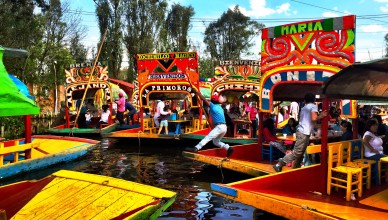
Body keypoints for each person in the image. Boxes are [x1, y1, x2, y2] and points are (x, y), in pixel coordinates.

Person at [273, 93, 327, 172]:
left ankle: (296, 168)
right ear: (314, 100)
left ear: (305, 101)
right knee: (297, 153)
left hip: (301, 132)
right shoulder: (313, 106)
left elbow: (308, 121)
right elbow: (314, 118)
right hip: (304, 133)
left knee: (300, 153)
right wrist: (321, 115)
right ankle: (279, 164)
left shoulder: (304, 108)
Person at [185, 90, 234, 158]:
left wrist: (197, 93)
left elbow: (204, 99)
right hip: (223, 127)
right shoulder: (220, 107)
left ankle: (196, 148)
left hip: (220, 127)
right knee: (215, 142)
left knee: (208, 137)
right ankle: (228, 148)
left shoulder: (213, 106)